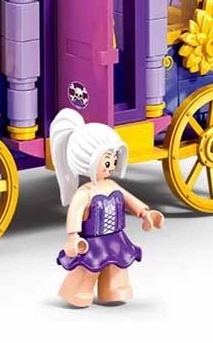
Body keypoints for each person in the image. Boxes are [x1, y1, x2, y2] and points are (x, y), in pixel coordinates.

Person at [50, 108, 164, 308]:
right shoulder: (84, 193)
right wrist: (73, 237)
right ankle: (77, 291)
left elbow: (129, 200)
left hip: (116, 238)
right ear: (87, 160)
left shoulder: (112, 186)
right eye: (107, 160)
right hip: (92, 241)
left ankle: (113, 289)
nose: (111, 165)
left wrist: (145, 213)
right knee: (88, 267)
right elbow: (74, 216)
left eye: (114, 160)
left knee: (117, 265)